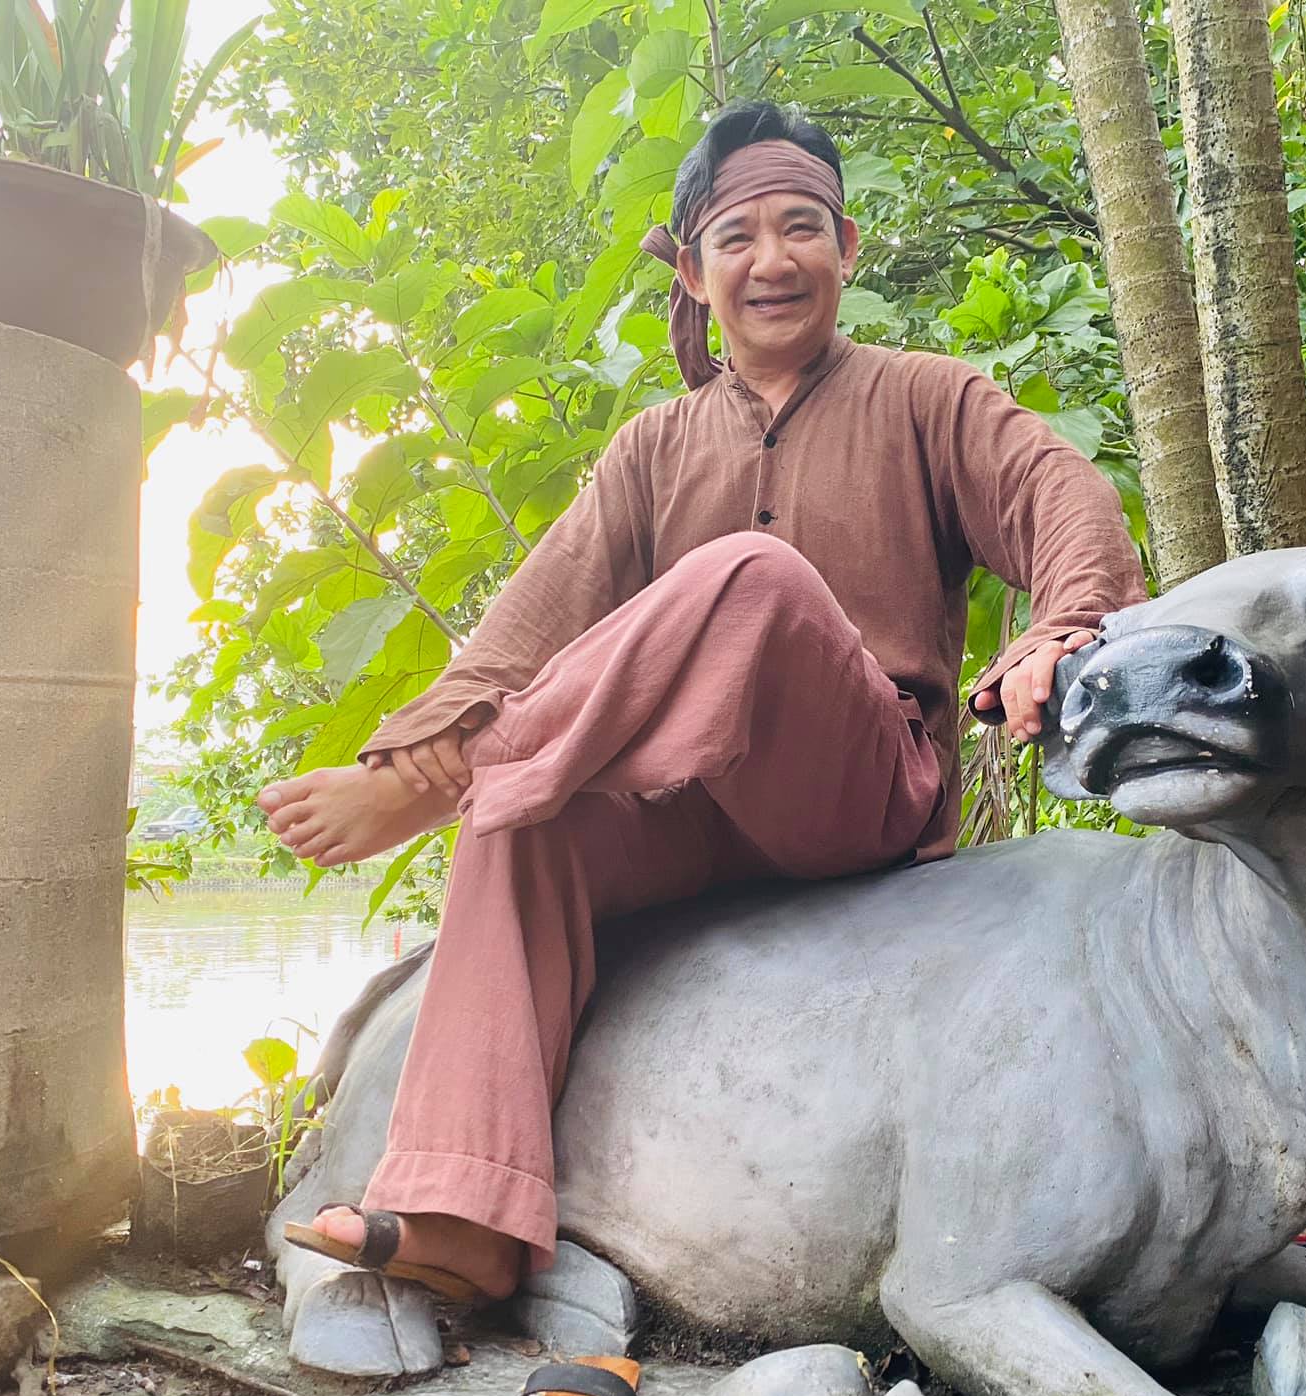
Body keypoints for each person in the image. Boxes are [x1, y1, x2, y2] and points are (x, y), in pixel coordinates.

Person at [256, 101, 1147, 1300]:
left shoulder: (925, 398)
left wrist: (1061, 627)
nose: (771, 260)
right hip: (695, 815)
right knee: (530, 824)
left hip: (862, 792)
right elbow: (528, 623)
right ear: (692, 268)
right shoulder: (652, 447)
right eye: (736, 235)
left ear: (845, 248)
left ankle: (447, 777)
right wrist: (446, 727)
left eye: (800, 228)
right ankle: (462, 1219)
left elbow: (1062, 494)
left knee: (752, 576)